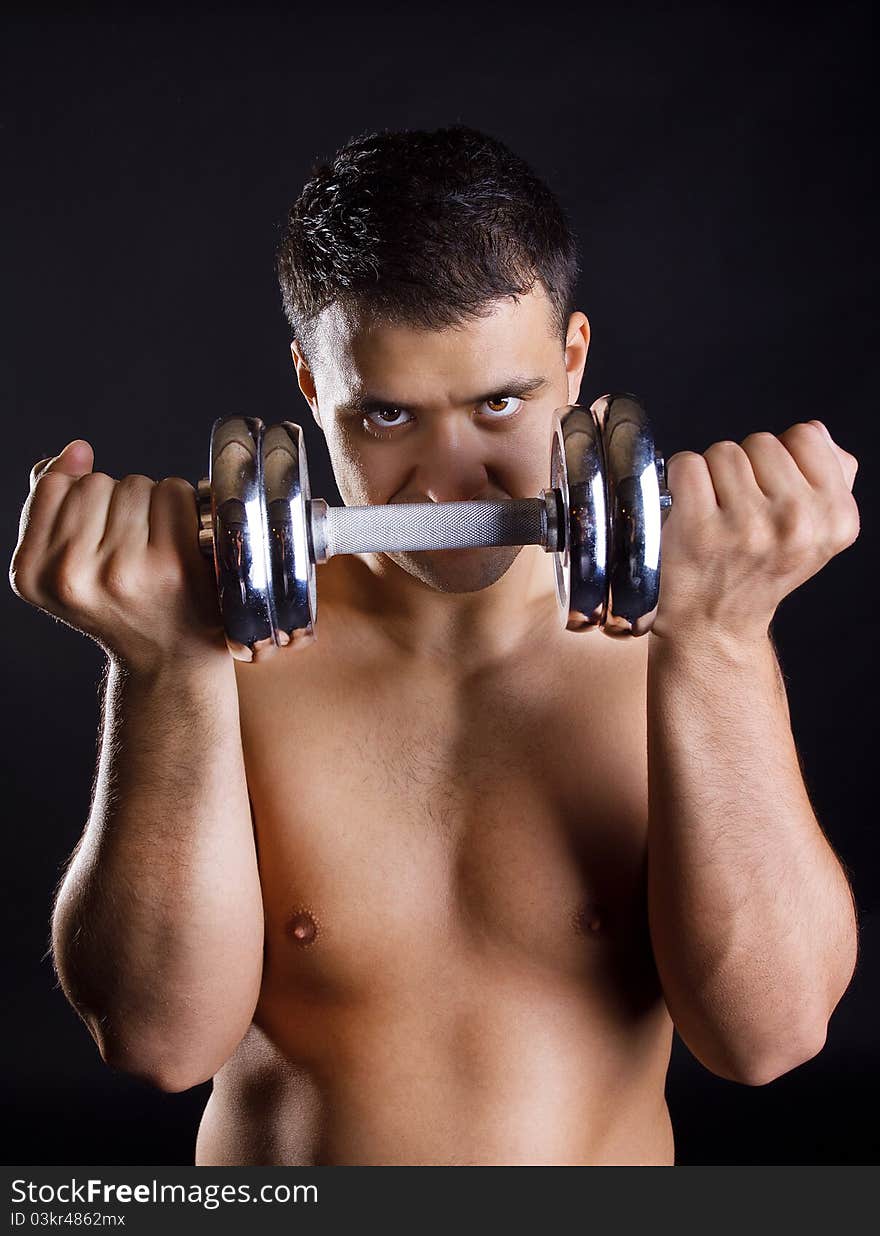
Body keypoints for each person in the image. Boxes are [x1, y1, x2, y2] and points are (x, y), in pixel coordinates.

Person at [9, 124, 861, 1167]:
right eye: (387, 416)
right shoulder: (218, 657)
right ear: (312, 391)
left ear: (572, 359)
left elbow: (770, 1039)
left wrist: (725, 639)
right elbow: (156, 1045)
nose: (452, 479)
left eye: (500, 402)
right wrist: (158, 665)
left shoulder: (680, 649)